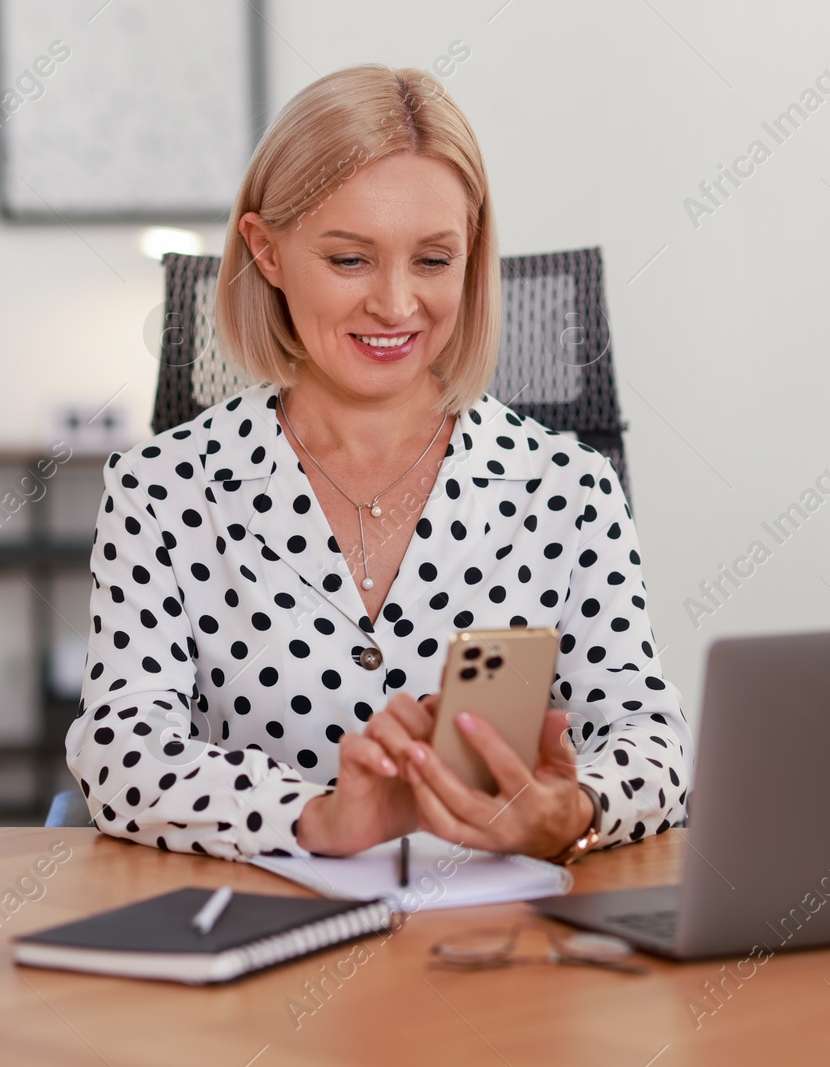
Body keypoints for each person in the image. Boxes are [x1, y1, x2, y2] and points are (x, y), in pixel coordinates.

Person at [65, 64, 690, 862]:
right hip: (264, 946)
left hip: (502, 949)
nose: (397, 306)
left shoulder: (566, 489)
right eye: (351, 260)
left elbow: (650, 740)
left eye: (433, 260)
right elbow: (121, 751)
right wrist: (316, 818)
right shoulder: (162, 488)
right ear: (268, 252)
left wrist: (575, 810)